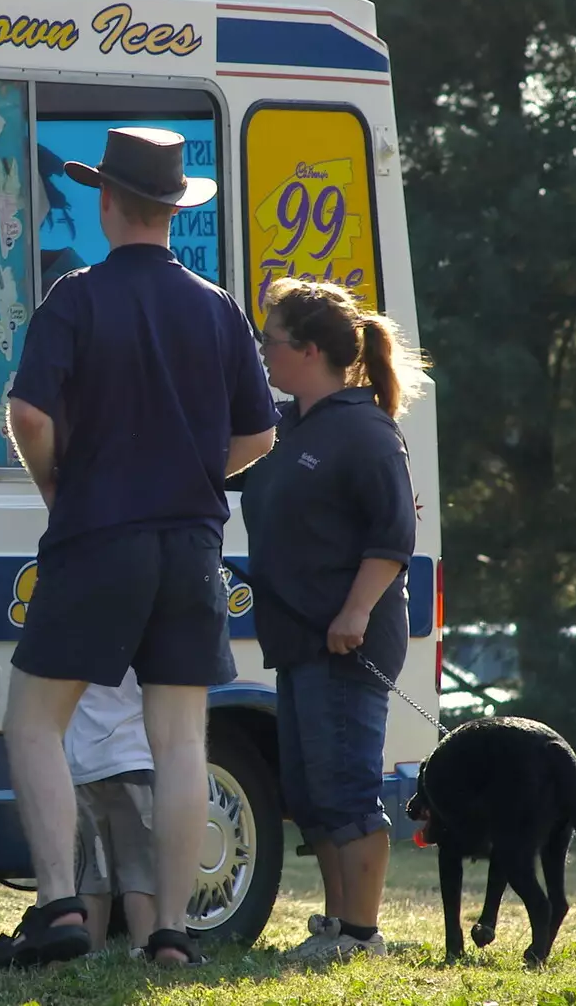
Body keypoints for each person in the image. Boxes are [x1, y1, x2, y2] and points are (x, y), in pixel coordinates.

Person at [0, 126, 279, 969]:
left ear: (107, 203)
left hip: (99, 536)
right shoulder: (219, 306)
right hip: (192, 545)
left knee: (36, 722)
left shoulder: (74, 297)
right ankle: (172, 934)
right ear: (170, 208)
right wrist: (188, 472)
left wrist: (59, 485)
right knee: (182, 740)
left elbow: (31, 414)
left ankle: (60, 912)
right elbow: (258, 432)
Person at [236, 277, 427, 963]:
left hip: (347, 640)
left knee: (347, 788)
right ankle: (336, 923)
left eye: (271, 342)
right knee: (310, 791)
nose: (263, 354)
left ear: (309, 351)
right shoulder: (289, 427)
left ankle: (361, 933)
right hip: (297, 639)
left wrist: (354, 609)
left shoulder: (365, 431)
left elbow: (393, 536)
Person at [65, 670, 158, 957]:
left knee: (93, 869)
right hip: (134, 758)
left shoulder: (75, 637)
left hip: (83, 763)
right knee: (139, 868)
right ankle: (143, 946)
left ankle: (91, 949)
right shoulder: (142, 634)